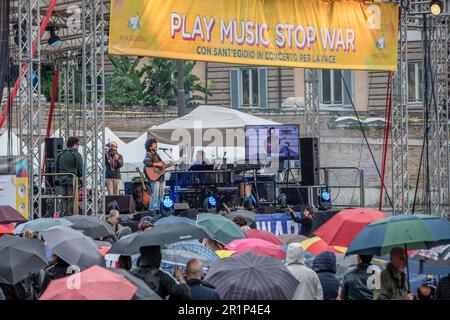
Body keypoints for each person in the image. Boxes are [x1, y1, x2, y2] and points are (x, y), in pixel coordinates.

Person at [143, 139, 174, 214]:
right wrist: (157, 164)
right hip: (154, 178)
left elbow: (161, 166)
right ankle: (151, 210)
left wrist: (168, 165)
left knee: (161, 194)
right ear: (150, 147)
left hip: (160, 177)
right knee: (155, 194)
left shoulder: (157, 155)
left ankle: (158, 209)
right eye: (154, 144)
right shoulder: (149, 154)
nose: (156, 145)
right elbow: (146, 162)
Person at [55, 137, 83, 216]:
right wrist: (80, 178)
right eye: (78, 144)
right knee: (72, 199)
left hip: (62, 180)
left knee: (64, 198)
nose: (78, 146)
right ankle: (71, 216)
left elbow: (56, 168)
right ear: (74, 144)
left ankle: (64, 214)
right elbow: (80, 170)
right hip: (72, 180)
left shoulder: (60, 154)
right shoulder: (77, 155)